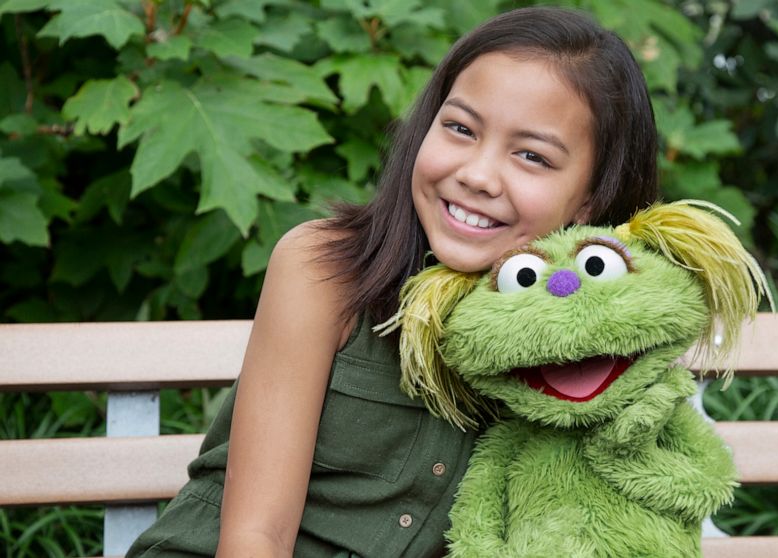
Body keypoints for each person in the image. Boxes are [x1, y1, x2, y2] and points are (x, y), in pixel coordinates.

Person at [127, 6, 659, 557]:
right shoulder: (323, 268)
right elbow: (256, 536)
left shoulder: (594, 345)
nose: (476, 175)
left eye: (531, 156)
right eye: (460, 128)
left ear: (592, 197)